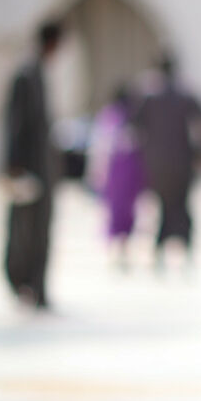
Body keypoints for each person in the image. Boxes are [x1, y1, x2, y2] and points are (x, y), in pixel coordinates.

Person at [2, 20, 63, 309]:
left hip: (42, 168)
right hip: (29, 169)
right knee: (25, 229)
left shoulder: (36, 73)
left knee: (40, 230)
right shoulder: (26, 75)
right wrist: (13, 164)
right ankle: (23, 282)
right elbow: (15, 124)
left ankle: (36, 286)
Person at [134, 53, 201, 267]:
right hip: (181, 161)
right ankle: (184, 250)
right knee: (181, 206)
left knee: (164, 207)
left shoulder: (149, 95)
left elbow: (135, 126)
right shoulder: (184, 95)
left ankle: (162, 251)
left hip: (158, 163)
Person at [86, 83, 147, 268]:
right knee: (122, 212)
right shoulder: (124, 116)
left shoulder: (114, 116)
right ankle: (121, 250)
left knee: (120, 213)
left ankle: (121, 250)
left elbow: (100, 147)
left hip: (120, 172)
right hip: (124, 172)